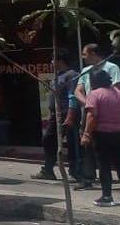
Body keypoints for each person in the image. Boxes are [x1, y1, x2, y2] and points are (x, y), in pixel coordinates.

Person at [69, 43, 120, 191]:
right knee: (87, 146)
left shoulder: (112, 68)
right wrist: (89, 103)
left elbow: (118, 89)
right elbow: (78, 91)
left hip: (107, 116)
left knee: (108, 153)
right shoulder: (86, 71)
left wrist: (100, 102)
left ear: (93, 53)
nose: (83, 57)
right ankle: (87, 178)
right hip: (88, 113)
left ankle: (115, 184)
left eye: (85, 54)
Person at [80, 69, 120, 207]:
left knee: (104, 166)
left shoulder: (95, 94)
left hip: (102, 135)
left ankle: (107, 196)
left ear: (95, 81)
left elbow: (92, 116)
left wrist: (86, 134)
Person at [34, 51, 80, 181]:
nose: (51, 63)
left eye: (53, 60)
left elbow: (73, 96)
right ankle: (48, 169)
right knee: (48, 139)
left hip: (67, 113)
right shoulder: (57, 76)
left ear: (61, 61)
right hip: (56, 115)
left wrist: (70, 116)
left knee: (72, 143)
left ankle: (75, 172)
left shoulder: (72, 75)